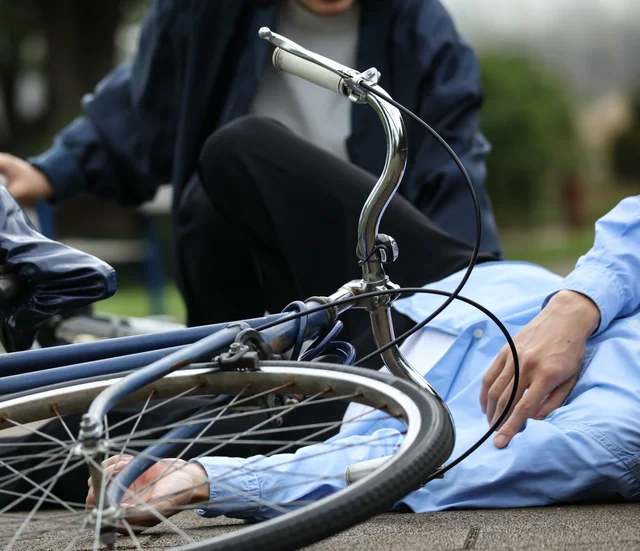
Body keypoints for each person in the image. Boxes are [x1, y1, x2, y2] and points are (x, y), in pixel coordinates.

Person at [89, 196, 640, 525]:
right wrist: (577, 305)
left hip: (366, 407)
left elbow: (433, 466)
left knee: (90, 437)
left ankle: (225, 387)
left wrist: (214, 481)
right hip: (453, 293)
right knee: (240, 151)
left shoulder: (621, 433)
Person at [0, 0, 501, 349]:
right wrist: (47, 174)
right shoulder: (206, 13)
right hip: (243, 264)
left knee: (239, 146)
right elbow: (144, 106)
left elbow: (452, 163)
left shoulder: (422, 27)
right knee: (215, 181)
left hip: (373, 260)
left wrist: (487, 297)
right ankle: (238, 384)